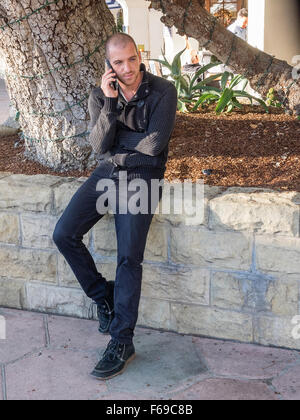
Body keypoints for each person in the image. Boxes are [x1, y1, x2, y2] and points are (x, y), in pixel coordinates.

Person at [52, 33, 177, 380]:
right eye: (118, 62)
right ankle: (101, 294)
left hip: (142, 178)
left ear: (140, 56)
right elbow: (98, 145)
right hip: (107, 174)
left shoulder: (163, 91)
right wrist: (109, 104)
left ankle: (122, 340)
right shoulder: (99, 95)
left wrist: (117, 150)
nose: (127, 68)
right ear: (109, 65)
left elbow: (153, 145)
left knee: (128, 259)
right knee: (64, 234)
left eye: (132, 59)